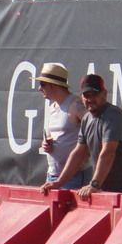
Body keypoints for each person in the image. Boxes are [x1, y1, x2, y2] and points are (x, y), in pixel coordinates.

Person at [44, 72, 122, 199]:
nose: (90, 99)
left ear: (104, 94)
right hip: (110, 188)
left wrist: (94, 184)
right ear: (82, 97)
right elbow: (79, 153)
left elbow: (108, 152)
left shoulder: (112, 115)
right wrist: (59, 183)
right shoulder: (87, 119)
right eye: (86, 95)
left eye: (94, 94)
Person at [35, 62, 85, 190]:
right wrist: (48, 144)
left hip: (74, 176)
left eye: (42, 84)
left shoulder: (76, 105)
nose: (39, 89)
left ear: (52, 85)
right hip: (52, 175)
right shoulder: (52, 107)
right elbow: (58, 136)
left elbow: (93, 133)